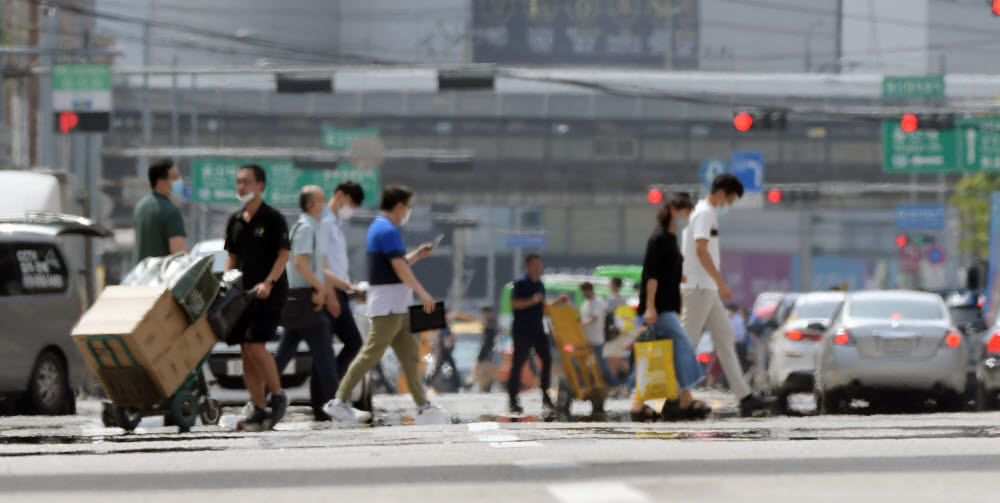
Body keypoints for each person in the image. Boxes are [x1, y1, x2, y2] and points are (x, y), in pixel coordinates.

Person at [323, 184, 446, 424]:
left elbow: (396, 264)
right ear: (399, 206)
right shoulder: (386, 230)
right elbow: (399, 269)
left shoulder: (384, 229)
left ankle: (423, 405)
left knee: (410, 356)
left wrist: (417, 256)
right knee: (371, 353)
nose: (408, 211)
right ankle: (339, 401)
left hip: (398, 305)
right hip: (389, 305)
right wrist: (423, 293)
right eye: (408, 207)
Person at [680, 174, 775, 417]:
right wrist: (721, 281)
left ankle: (745, 396)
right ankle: (675, 397)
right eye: (730, 199)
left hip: (707, 289)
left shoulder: (705, 213)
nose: (728, 205)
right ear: (722, 192)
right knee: (686, 343)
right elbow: (701, 250)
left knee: (726, 339)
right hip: (701, 288)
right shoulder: (704, 213)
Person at [224, 164, 290, 431]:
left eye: (247, 182)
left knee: (254, 345)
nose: (241, 187)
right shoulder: (235, 220)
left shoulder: (273, 218)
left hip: (269, 292)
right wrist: (223, 282)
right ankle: (259, 407)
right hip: (242, 294)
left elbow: (283, 255)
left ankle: (278, 395)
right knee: (244, 350)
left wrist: (269, 282)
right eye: (238, 182)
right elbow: (231, 255)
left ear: (260, 185)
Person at [633, 192, 709, 422]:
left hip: (667, 307)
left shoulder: (670, 240)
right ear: (674, 211)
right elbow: (652, 276)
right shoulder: (660, 239)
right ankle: (679, 400)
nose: (687, 217)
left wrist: (684, 279)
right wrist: (649, 308)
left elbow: (668, 274)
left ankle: (672, 401)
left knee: (669, 356)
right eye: (685, 212)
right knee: (683, 349)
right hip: (660, 310)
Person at [272, 186, 338, 421]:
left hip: (302, 299)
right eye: (321, 200)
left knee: (283, 355)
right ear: (311, 204)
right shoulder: (306, 228)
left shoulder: (311, 227)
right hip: (305, 299)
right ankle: (336, 404)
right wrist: (319, 287)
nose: (325, 204)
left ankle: (258, 398)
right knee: (326, 357)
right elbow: (300, 263)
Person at [508, 254, 568, 415]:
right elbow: (514, 303)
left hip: (538, 330)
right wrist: (532, 300)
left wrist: (557, 301)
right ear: (527, 266)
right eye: (534, 265)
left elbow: (543, 306)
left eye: (539, 265)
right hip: (522, 330)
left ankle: (545, 396)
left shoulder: (540, 284)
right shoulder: (520, 283)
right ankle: (513, 400)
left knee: (547, 359)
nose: (537, 268)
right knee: (518, 363)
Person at [319, 181, 366, 383]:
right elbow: (320, 262)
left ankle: (329, 394)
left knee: (338, 347)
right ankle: (329, 394)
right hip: (330, 291)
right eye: (352, 204)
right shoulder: (324, 222)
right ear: (340, 195)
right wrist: (331, 294)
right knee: (350, 343)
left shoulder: (336, 224)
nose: (352, 210)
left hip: (340, 292)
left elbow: (338, 263)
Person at [132, 158, 186, 264]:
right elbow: (178, 253)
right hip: (161, 276)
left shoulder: (140, 207)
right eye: (174, 178)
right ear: (160, 182)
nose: (179, 181)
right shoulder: (171, 211)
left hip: (140, 274)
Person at [579, 282, 617, 388]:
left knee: (601, 364)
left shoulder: (597, 301)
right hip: (587, 338)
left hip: (596, 338)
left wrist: (581, 325)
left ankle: (614, 384)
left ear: (589, 290)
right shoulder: (586, 302)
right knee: (586, 363)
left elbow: (595, 318)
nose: (583, 293)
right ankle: (587, 384)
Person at [474, 306, 498, 392]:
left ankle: (485, 386)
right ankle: (484, 386)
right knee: (484, 368)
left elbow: (491, 337)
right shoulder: (489, 322)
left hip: (488, 349)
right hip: (487, 348)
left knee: (485, 368)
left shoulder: (490, 322)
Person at [604, 277, 625, 342]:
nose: (609, 285)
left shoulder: (612, 298)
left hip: (610, 322)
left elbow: (607, 310)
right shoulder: (623, 298)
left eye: (610, 283)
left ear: (614, 285)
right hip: (619, 323)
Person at [729, 305, 749, 372]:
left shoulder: (738, 319)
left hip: (739, 344)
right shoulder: (730, 319)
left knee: (741, 363)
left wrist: (734, 339)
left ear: (731, 310)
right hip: (733, 344)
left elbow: (742, 333)